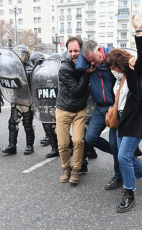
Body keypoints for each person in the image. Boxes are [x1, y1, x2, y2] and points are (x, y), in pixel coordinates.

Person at [105, 13, 142, 213]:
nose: (112, 70)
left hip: (135, 121)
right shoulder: (117, 81)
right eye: (110, 68)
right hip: (121, 120)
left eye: (114, 67)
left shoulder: (133, 73)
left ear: (121, 64)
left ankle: (129, 193)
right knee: (124, 156)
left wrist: (138, 30)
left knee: (123, 157)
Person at [76, 34, 121, 190]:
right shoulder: (89, 64)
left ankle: (118, 175)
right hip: (99, 107)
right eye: (89, 61)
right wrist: (90, 61)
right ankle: (121, 155)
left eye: (94, 59)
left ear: (100, 50)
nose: (93, 63)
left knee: (115, 144)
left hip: (113, 107)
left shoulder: (110, 56)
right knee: (90, 137)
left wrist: (104, 55)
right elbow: (79, 66)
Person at [56, 36, 90, 184]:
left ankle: (76, 170)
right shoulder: (64, 67)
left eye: (76, 50)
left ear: (81, 50)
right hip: (63, 109)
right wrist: (86, 72)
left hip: (79, 110)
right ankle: (65, 168)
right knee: (63, 144)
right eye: (70, 51)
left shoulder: (87, 62)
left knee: (78, 141)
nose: (73, 54)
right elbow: (76, 90)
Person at [2, 45, 35, 156]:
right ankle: (12, 146)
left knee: (27, 124)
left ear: (27, 56)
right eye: (17, 54)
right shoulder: (10, 70)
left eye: (22, 54)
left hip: (27, 101)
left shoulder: (30, 70)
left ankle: (29, 146)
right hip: (16, 100)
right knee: (12, 122)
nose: (20, 57)